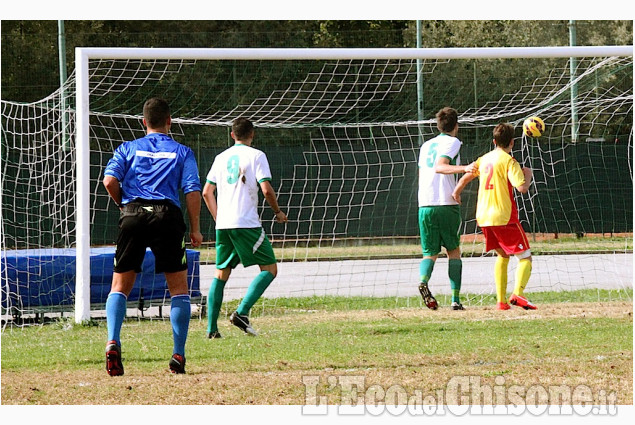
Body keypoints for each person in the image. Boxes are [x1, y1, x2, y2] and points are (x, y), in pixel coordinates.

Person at [102, 97, 203, 376]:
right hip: (166, 215)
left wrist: (123, 204)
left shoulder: (128, 148)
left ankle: (113, 340)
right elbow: (192, 191)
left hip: (133, 213)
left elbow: (109, 181)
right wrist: (194, 228)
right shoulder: (182, 152)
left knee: (120, 286)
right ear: (170, 121)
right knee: (179, 289)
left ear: (143, 122)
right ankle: (178, 355)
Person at [202, 117, 287, 338]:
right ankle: (241, 312)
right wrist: (277, 212)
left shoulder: (220, 158)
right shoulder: (256, 155)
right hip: (246, 223)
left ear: (232, 135)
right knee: (270, 269)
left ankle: (212, 330)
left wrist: (219, 217)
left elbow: (206, 192)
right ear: (252, 134)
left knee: (221, 273)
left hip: (224, 225)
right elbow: (266, 190)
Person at [452, 122, 536, 310]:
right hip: (503, 216)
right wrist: (528, 174)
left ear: (494, 141)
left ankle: (501, 302)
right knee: (525, 257)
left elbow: (467, 175)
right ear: (512, 143)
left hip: (483, 216)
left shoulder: (484, 159)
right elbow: (522, 188)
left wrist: (457, 191)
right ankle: (518, 294)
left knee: (503, 255)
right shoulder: (509, 161)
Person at [417, 107, 475, 311]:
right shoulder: (453, 142)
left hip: (424, 204)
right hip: (445, 203)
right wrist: (464, 168)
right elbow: (440, 166)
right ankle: (455, 300)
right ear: (456, 126)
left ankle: (423, 281)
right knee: (453, 251)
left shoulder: (426, 145)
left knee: (429, 253)